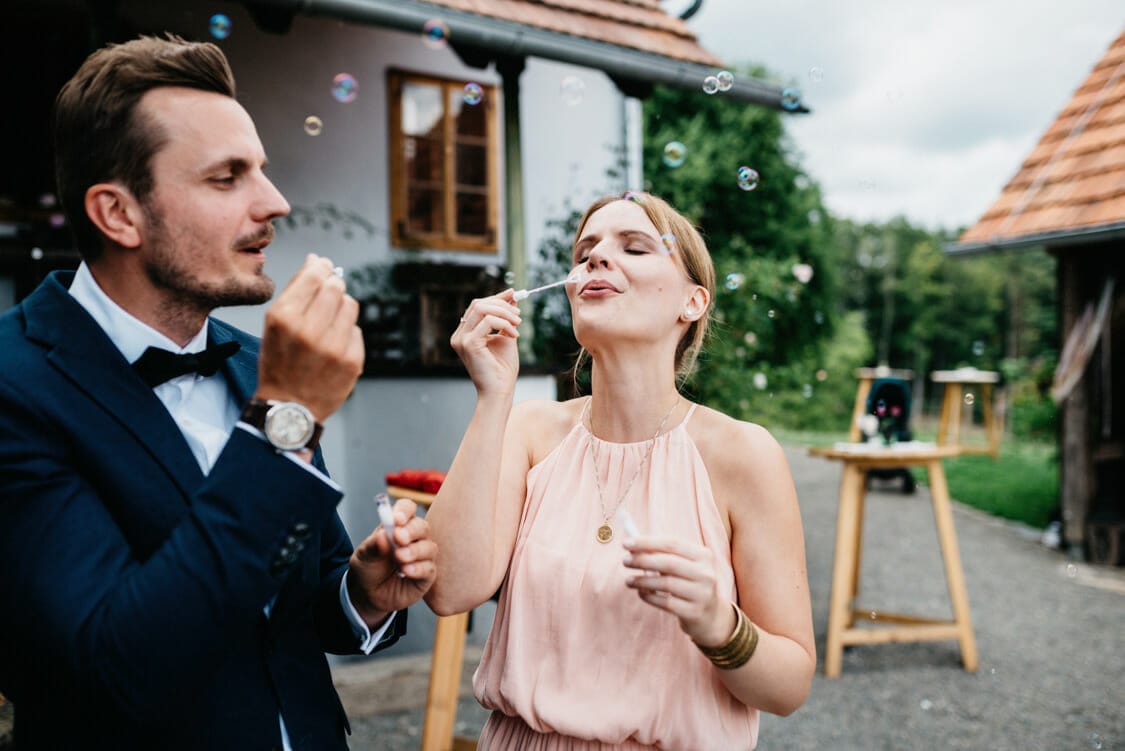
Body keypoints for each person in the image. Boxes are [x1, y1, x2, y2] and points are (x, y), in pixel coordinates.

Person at [0, 34, 436, 750]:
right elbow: (119, 667)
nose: (276, 202)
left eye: (261, 169)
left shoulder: (256, 364)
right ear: (118, 213)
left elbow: (286, 609)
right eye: (227, 177)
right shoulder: (15, 384)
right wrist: (282, 420)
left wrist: (359, 593)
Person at [426, 191, 815, 749]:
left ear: (692, 302)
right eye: (584, 252)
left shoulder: (742, 455)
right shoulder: (529, 429)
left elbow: (788, 688)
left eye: (634, 247)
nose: (595, 258)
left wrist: (719, 624)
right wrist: (493, 396)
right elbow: (446, 589)